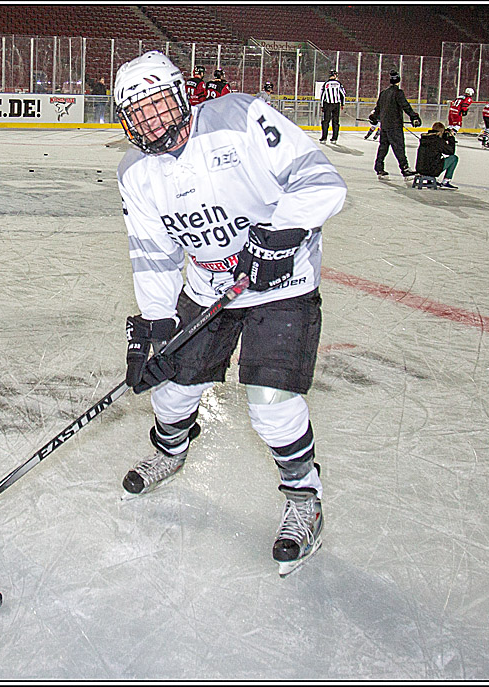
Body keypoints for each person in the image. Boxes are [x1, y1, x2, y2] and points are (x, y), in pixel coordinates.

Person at [112, 51, 346, 577]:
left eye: (158, 105)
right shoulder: (135, 173)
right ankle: (171, 452)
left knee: (271, 404)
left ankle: (305, 499)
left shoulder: (240, 118)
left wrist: (277, 237)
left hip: (282, 286)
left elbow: (323, 183)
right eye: (138, 115)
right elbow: (153, 255)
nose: (152, 123)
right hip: (208, 287)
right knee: (172, 391)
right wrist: (155, 325)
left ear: (181, 96)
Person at [369, 70, 421, 180]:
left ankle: (379, 168)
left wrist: (374, 117)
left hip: (385, 125)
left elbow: (378, 108)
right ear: (399, 80)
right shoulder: (398, 93)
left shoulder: (383, 93)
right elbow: (405, 106)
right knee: (399, 147)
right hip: (394, 126)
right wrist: (414, 117)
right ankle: (405, 169)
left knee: (383, 147)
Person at [415, 122, 459, 189]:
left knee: (431, 159)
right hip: (431, 170)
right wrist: (451, 138)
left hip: (420, 168)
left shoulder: (425, 139)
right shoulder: (438, 141)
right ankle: (446, 181)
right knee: (454, 158)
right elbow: (451, 152)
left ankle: (430, 181)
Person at [319, 69, 345, 143]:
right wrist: (342, 104)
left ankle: (324, 138)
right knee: (335, 121)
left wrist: (322, 105)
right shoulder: (338, 83)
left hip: (328, 104)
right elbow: (343, 94)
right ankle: (334, 138)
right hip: (336, 104)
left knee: (326, 121)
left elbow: (322, 95)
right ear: (335, 75)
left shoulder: (326, 84)